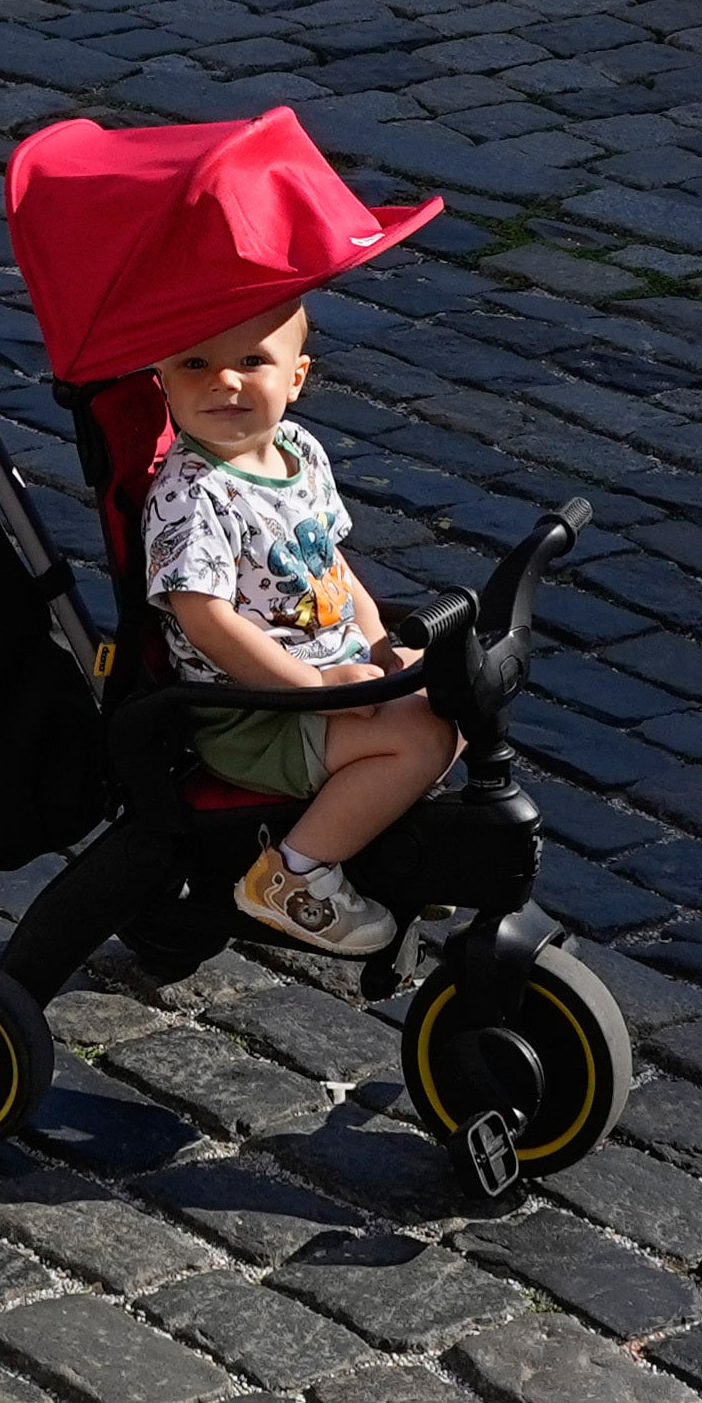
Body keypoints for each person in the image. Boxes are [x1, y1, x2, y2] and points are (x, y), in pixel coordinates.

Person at [141, 286, 457, 962]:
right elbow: (206, 621)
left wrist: (379, 644)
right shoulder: (191, 495)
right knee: (423, 739)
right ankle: (294, 873)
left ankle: (378, 839)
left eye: (251, 360)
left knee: (458, 702)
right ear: (160, 377)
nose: (224, 380)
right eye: (194, 364)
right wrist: (312, 686)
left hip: (328, 675)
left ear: (296, 376)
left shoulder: (297, 452)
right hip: (254, 712)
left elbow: (330, 567)